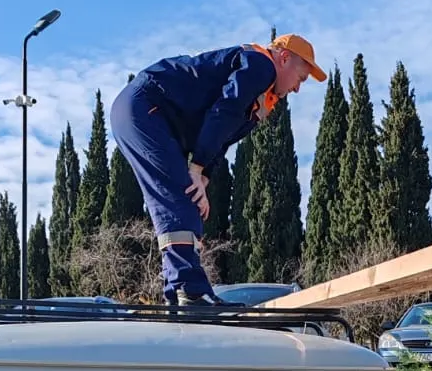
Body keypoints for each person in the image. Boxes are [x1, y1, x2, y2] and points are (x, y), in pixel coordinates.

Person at [109, 34, 326, 306]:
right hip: (146, 107)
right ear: (284, 59)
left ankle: (178, 293)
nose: (297, 89)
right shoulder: (261, 65)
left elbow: (223, 134)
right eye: (301, 78)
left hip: (141, 111)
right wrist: (196, 167)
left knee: (185, 199)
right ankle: (190, 291)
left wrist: (204, 177)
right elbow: (224, 111)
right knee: (179, 197)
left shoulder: (263, 92)